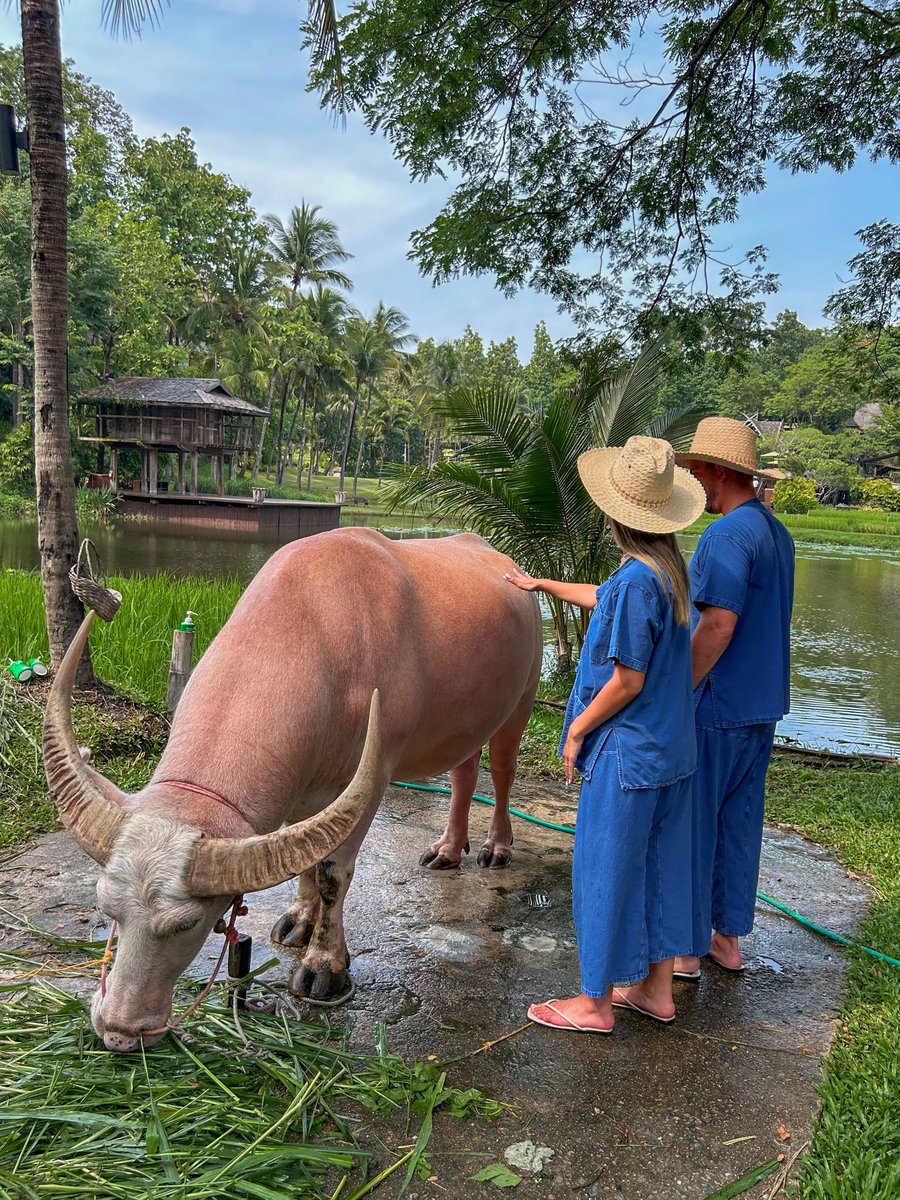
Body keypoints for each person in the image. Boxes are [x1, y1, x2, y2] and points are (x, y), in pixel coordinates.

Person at [506, 435, 706, 1033]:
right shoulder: (665, 571)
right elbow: (605, 597)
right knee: (660, 870)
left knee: (605, 871)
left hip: (628, 756)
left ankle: (593, 1003)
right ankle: (656, 991)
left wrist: (576, 732)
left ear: (615, 511)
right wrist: (542, 586)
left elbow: (627, 680)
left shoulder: (635, 582)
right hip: (672, 752)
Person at [672, 417, 795, 979]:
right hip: (761, 702)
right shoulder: (775, 531)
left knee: (695, 824)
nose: (692, 481)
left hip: (717, 705)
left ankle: (687, 948)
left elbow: (717, 624)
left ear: (718, 472)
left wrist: (682, 689)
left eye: (696, 470)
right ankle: (727, 939)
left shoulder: (724, 536)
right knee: (738, 821)